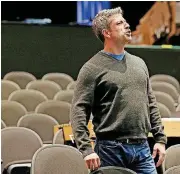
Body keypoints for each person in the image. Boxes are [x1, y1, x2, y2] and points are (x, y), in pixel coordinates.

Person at [70, 7, 167, 174]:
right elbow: (78, 110)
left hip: (142, 148)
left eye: (125, 21)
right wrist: (86, 149)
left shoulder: (139, 63)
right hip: (110, 150)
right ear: (107, 33)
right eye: (120, 23)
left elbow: (150, 102)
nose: (127, 25)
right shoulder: (92, 68)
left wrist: (160, 139)